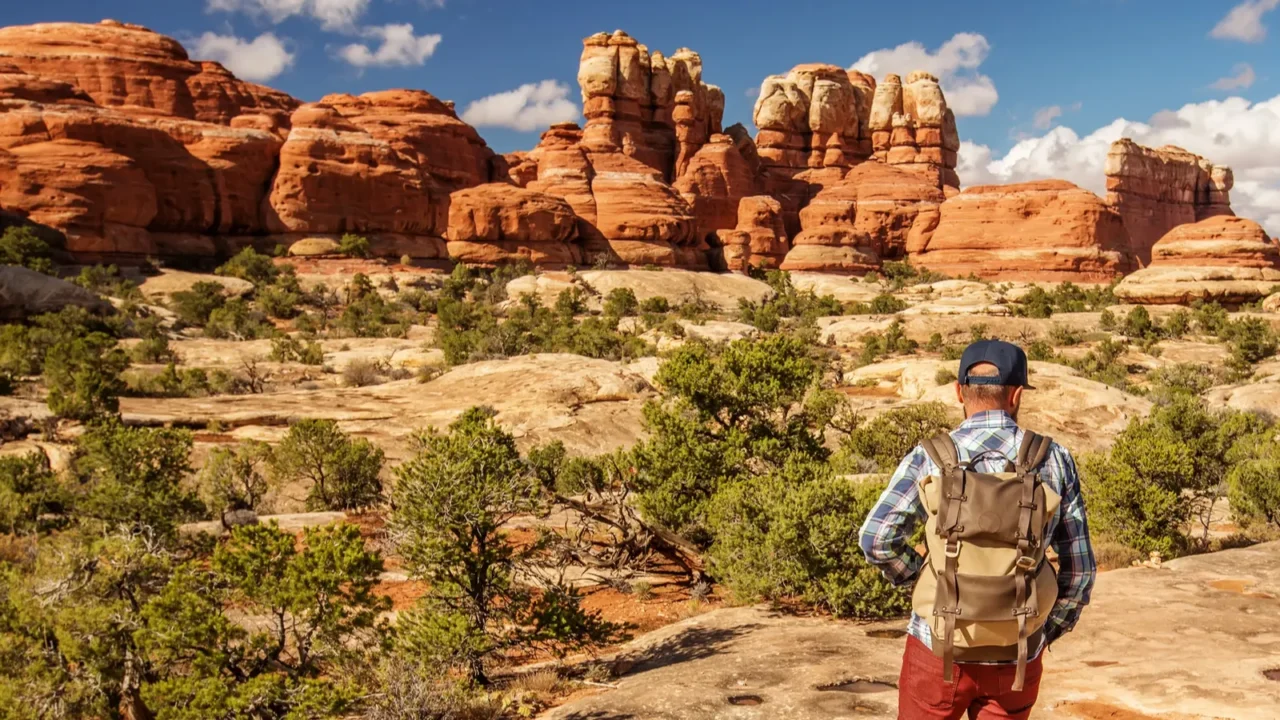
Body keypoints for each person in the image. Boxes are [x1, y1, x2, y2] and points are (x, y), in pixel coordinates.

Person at [859, 339, 1097, 720]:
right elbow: (1081, 570)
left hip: (938, 649)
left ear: (958, 392)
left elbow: (875, 539)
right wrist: (1046, 629)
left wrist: (923, 582)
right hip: (1015, 655)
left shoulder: (931, 455)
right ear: (1017, 395)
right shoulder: (1053, 458)